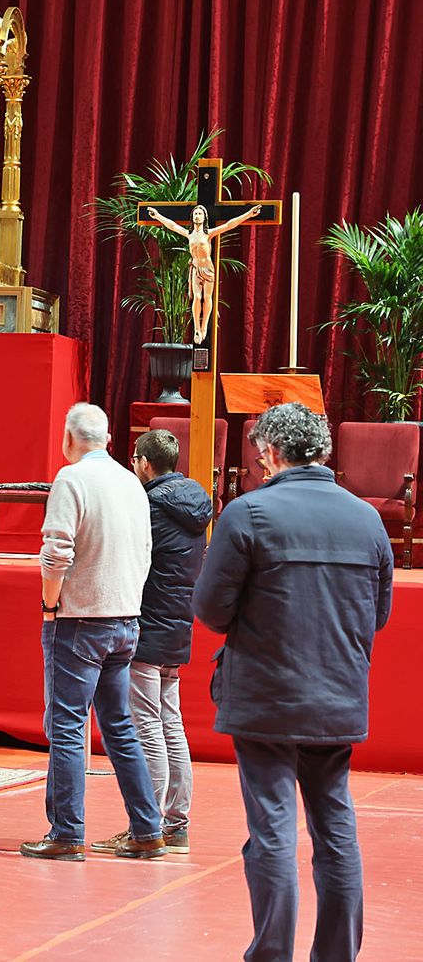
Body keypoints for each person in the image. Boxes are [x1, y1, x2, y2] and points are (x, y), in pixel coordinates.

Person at [193, 402, 392, 961]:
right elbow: (377, 614)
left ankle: (272, 954)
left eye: (260, 457)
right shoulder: (367, 519)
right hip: (338, 696)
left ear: (274, 453)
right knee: (336, 828)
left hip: (266, 698)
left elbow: (210, 610)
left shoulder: (249, 513)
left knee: (273, 829)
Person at [22, 402, 167, 862]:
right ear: (107, 440)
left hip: (81, 619)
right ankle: (148, 828)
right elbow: (146, 551)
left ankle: (66, 832)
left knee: (67, 724)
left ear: (67, 439)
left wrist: (49, 602)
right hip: (125, 618)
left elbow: (56, 552)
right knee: (119, 725)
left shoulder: (71, 479)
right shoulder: (132, 482)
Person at [91, 429, 212, 857]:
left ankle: (150, 825)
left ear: (143, 462)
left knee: (146, 729)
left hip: (148, 627)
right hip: (178, 626)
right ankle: (177, 825)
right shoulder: (194, 505)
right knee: (171, 725)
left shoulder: (148, 506)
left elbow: (129, 560)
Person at [146, 203, 262, 344]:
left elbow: (229, 225)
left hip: (207, 269)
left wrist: (249, 214)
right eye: (195, 213)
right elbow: (172, 226)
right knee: (196, 297)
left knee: (207, 297)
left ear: (205, 217)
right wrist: (157, 215)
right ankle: (197, 328)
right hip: (195, 268)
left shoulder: (208, 233)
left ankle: (204, 327)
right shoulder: (189, 234)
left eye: (200, 213)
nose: (197, 216)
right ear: (192, 217)